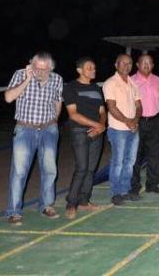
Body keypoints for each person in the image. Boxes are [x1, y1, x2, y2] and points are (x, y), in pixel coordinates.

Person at [4, 52, 63, 225]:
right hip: (25, 129)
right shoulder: (20, 75)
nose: (39, 72)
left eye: (44, 69)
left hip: (49, 130)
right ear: (31, 64)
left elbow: (58, 102)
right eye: (36, 67)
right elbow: (8, 98)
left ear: (50, 68)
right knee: (20, 171)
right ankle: (14, 211)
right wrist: (27, 79)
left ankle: (46, 205)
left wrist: (54, 121)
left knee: (50, 170)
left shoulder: (57, 79)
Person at [63, 57, 106, 219]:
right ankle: (71, 203)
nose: (93, 70)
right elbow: (73, 114)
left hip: (97, 132)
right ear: (79, 70)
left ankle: (84, 200)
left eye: (94, 67)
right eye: (89, 68)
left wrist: (101, 126)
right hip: (80, 132)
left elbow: (103, 111)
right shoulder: (71, 87)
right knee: (81, 168)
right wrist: (96, 125)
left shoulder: (96, 88)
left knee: (90, 170)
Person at [103, 54, 142, 205]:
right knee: (117, 162)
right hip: (118, 129)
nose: (127, 66)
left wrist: (135, 121)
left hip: (133, 128)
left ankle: (125, 190)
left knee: (130, 161)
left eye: (129, 63)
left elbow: (139, 105)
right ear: (116, 65)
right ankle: (116, 192)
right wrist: (128, 122)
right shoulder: (110, 83)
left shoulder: (132, 83)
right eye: (123, 63)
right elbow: (112, 107)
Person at [130, 54, 159, 196]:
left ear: (153, 65)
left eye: (150, 62)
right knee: (135, 155)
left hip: (155, 121)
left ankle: (152, 184)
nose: (147, 65)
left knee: (154, 155)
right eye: (143, 62)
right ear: (137, 65)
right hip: (138, 122)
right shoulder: (131, 81)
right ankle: (134, 186)